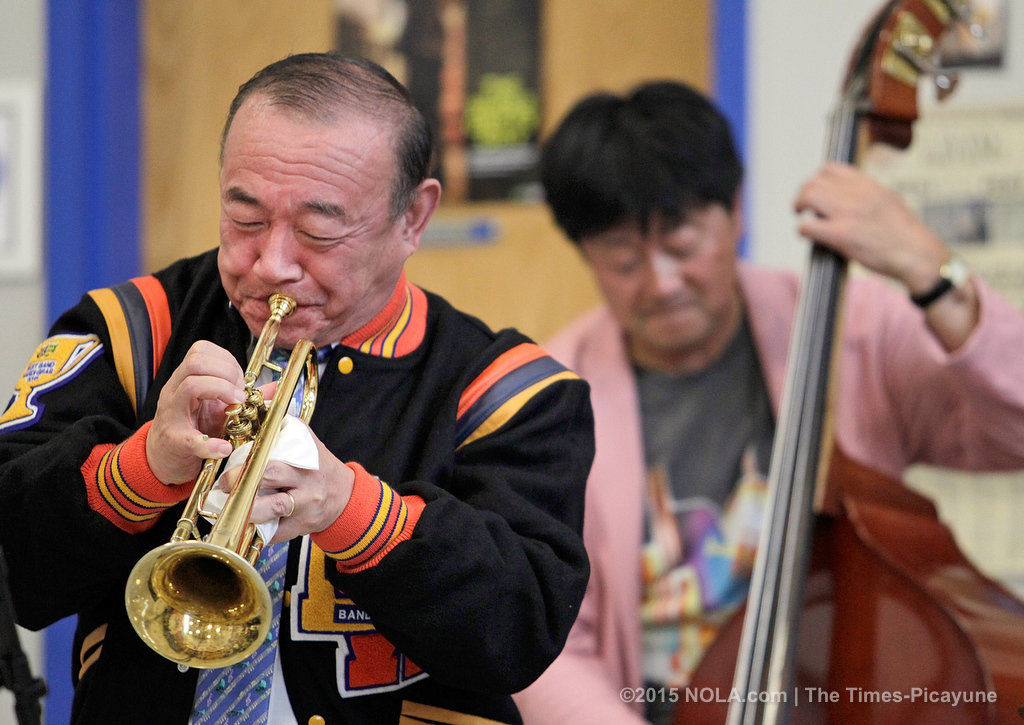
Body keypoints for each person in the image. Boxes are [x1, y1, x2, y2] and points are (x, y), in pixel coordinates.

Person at [0, 53, 593, 724]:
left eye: (318, 230)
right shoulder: (129, 329)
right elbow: (13, 571)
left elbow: (520, 633)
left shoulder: (513, 391)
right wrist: (140, 467)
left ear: (413, 218)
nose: (271, 265)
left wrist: (351, 510)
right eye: (244, 217)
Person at [511, 80, 1024, 723]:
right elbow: (544, 640)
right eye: (623, 257)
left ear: (736, 210)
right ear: (584, 252)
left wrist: (931, 271)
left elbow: (1016, 430)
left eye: (681, 241)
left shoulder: (849, 330)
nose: (662, 282)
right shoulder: (548, 399)